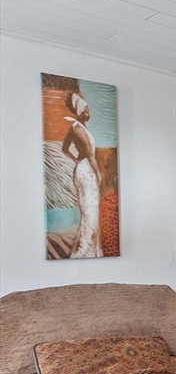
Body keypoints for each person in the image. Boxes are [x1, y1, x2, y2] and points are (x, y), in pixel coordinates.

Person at [61, 91, 102, 257]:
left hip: (82, 168)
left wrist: (77, 162)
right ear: (80, 112)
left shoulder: (76, 127)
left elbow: (65, 149)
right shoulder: (78, 129)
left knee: (89, 209)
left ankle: (88, 248)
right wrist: (98, 173)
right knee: (90, 210)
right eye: (86, 109)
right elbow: (90, 155)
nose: (89, 112)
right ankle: (84, 250)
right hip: (86, 170)